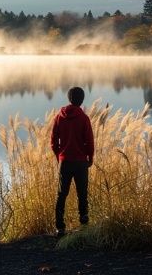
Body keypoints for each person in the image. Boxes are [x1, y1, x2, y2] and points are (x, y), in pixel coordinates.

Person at [51, 86, 94, 237]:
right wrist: (90, 157)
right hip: (81, 162)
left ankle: (60, 228)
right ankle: (84, 226)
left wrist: (59, 155)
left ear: (69, 99)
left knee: (61, 194)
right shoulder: (84, 118)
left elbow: (53, 140)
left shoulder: (59, 117)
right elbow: (89, 141)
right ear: (81, 100)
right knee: (82, 194)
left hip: (65, 162)